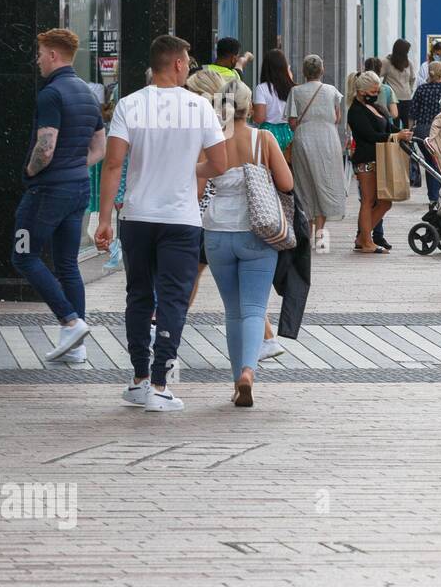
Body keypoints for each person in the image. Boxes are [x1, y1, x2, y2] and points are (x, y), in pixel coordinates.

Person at [95, 34, 227, 412]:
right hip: (180, 218)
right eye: (187, 60)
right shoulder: (199, 107)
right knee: (172, 298)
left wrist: (105, 218)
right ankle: (160, 382)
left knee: (138, 295)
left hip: (137, 215)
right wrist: (190, 170)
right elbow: (218, 164)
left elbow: (114, 163)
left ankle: (138, 379)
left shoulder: (130, 104)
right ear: (179, 65)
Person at [13, 28, 106, 363]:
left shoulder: (50, 94)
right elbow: (100, 147)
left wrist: (29, 171)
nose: (37, 61)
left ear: (53, 54)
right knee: (67, 264)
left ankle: (70, 320)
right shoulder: (85, 92)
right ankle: (76, 348)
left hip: (47, 190)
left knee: (23, 255)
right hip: (79, 186)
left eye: (40, 54)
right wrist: (73, 166)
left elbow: (46, 147)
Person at [202, 81, 294, 407]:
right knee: (255, 308)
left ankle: (234, 381)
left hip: (216, 233)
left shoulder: (210, 141)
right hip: (258, 231)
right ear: (248, 106)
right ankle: (248, 372)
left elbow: (199, 188)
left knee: (232, 312)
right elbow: (287, 183)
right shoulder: (263, 138)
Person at [286, 54, 346, 253]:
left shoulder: (295, 91)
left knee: (304, 185)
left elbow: (292, 122)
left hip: (304, 139)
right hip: (328, 139)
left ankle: (306, 234)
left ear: (304, 72)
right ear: (322, 70)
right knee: (325, 183)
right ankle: (321, 236)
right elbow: (337, 118)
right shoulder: (332, 91)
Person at [347, 71, 409, 254]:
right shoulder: (355, 112)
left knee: (385, 202)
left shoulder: (378, 108)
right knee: (368, 200)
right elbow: (369, 135)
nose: (375, 95)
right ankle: (366, 241)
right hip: (366, 160)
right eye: (372, 92)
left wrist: (402, 133)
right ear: (360, 91)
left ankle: (363, 236)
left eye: (377, 91)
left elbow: (389, 127)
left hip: (380, 160)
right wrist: (394, 136)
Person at [410, 61, 441, 204]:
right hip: (440, 130)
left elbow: (412, 112)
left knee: (430, 162)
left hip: (422, 130)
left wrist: (410, 130)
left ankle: (433, 196)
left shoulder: (421, 89)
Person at [253, 49, 295, 154]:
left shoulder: (262, 88)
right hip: (289, 133)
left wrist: (251, 112)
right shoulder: (293, 88)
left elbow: (260, 118)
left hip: (268, 134)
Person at [363, 56, 400, 124]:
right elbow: (395, 114)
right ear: (380, 70)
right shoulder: (387, 89)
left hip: (365, 125)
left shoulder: (360, 89)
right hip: (385, 126)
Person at [381, 38, 417, 105]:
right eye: (406, 51)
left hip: (407, 98)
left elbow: (413, 78)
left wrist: (410, 90)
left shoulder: (408, 63)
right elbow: (377, 76)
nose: (407, 53)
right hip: (392, 99)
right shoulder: (386, 62)